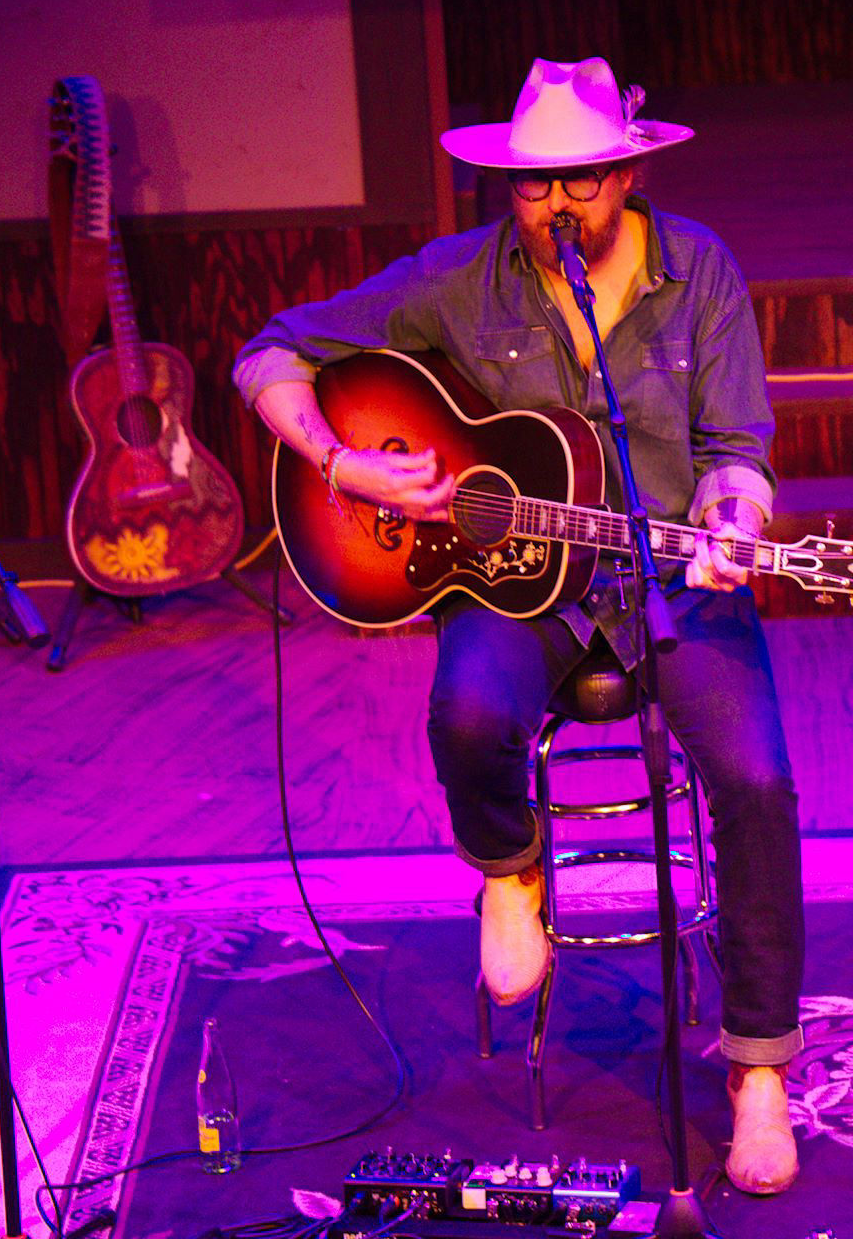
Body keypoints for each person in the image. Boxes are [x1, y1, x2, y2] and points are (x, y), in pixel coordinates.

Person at [233, 58, 802, 1195]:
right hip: (510, 581)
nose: (556, 206)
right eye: (534, 186)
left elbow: (737, 452)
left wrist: (735, 519)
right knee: (469, 710)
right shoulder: (458, 276)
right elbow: (270, 352)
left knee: (755, 779)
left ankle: (758, 1074)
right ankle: (509, 867)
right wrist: (344, 463)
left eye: (581, 181)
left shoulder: (702, 271)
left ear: (629, 175)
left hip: (669, 575)